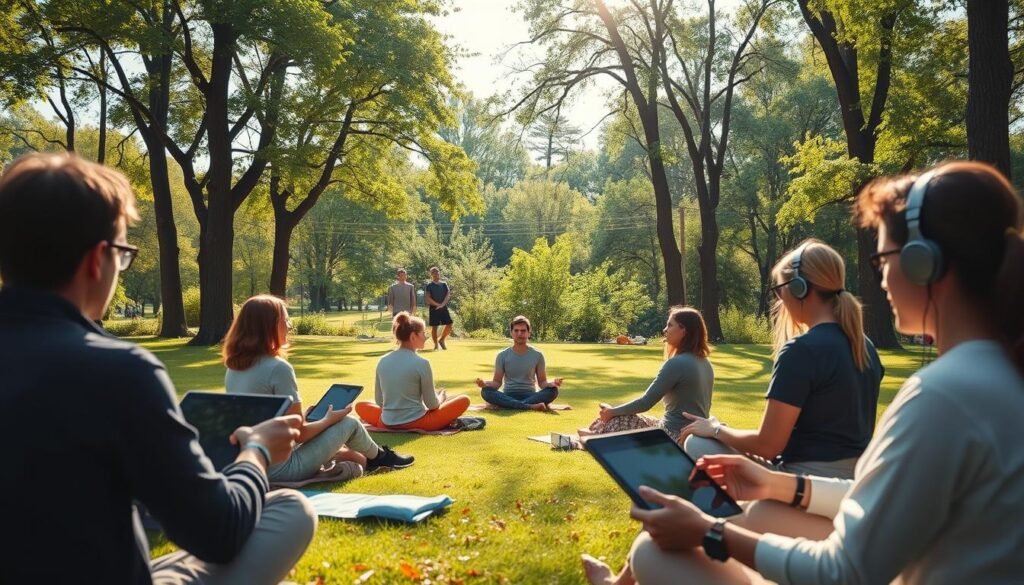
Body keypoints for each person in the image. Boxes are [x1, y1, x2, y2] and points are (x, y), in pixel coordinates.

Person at [610, 161, 1024, 585]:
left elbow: (845, 573)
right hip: (827, 486)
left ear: (924, 262)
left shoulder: (946, 396)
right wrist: (782, 485)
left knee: (654, 552)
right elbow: (884, 499)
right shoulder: (997, 377)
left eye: (884, 258)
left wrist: (709, 532)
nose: (880, 277)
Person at [0, 153, 316, 584]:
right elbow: (217, 531)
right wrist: (256, 451)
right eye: (123, 253)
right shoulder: (115, 371)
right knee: (291, 510)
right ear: (97, 260)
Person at [679, 240, 883, 480]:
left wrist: (714, 429)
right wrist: (722, 431)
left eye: (779, 290)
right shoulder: (865, 346)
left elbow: (768, 445)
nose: (779, 300)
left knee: (698, 442)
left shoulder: (802, 350)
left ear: (799, 288)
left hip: (803, 480)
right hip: (855, 479)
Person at [224, 295, 415, 480]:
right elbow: (299, 434)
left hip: (248, 461)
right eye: (286, 320)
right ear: (270, 325)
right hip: (281, 467)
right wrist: (327, 420)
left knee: (355, 457)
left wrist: (309, 419)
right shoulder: (278, 368)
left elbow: (267, 421)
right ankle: (382, 459)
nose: (289, 326)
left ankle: (376, 457)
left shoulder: (233, 368)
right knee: (350, 423)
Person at [582, 307, 713, 441]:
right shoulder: (705, 362)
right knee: (625, 417)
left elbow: (646, 402)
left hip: (674, 435)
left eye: (670, 325)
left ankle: (595, 436)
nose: (665, 330)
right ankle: (595, 432)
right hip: (697, 433)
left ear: (683, 330)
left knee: (619, 419)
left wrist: (612, 412)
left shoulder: (677, 364)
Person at [356, 311, 471, 430]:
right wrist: (441, 397)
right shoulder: (422, 363)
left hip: (386, 422)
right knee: (464, 400)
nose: (426, 337)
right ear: (413, 336)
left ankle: (393, 421)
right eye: (423, 333)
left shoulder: (382, 361)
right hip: (418, 422)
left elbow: (380, 402)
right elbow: (432, 405)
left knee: (360, 406)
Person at [476, 315, 565, 411]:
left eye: (523, 331)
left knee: (552, 391)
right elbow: (497, 383)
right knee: (486, 392)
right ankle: (529, 406)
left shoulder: (537, 355)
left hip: (531, 395)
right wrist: (485, 383)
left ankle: (511, 405)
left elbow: (542, 383)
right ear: (511, 333)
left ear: (528, 333)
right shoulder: (502, 355)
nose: (519, 334)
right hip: (508, 394)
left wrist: (552, 384)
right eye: (516, 330)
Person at [424, 266, 453, 350]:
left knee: (449, 324)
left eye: (437, 272)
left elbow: (448, 295)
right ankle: (436, 344)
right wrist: (437, 305)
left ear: (439, 273)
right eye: (433, 272)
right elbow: (428, 298)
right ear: (431, 274)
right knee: (435, 326)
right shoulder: (429, 286)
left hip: (443, 307)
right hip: (434, 308)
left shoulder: (444, 284)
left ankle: (442, 340)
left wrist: (442, 304)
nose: (436, 273)